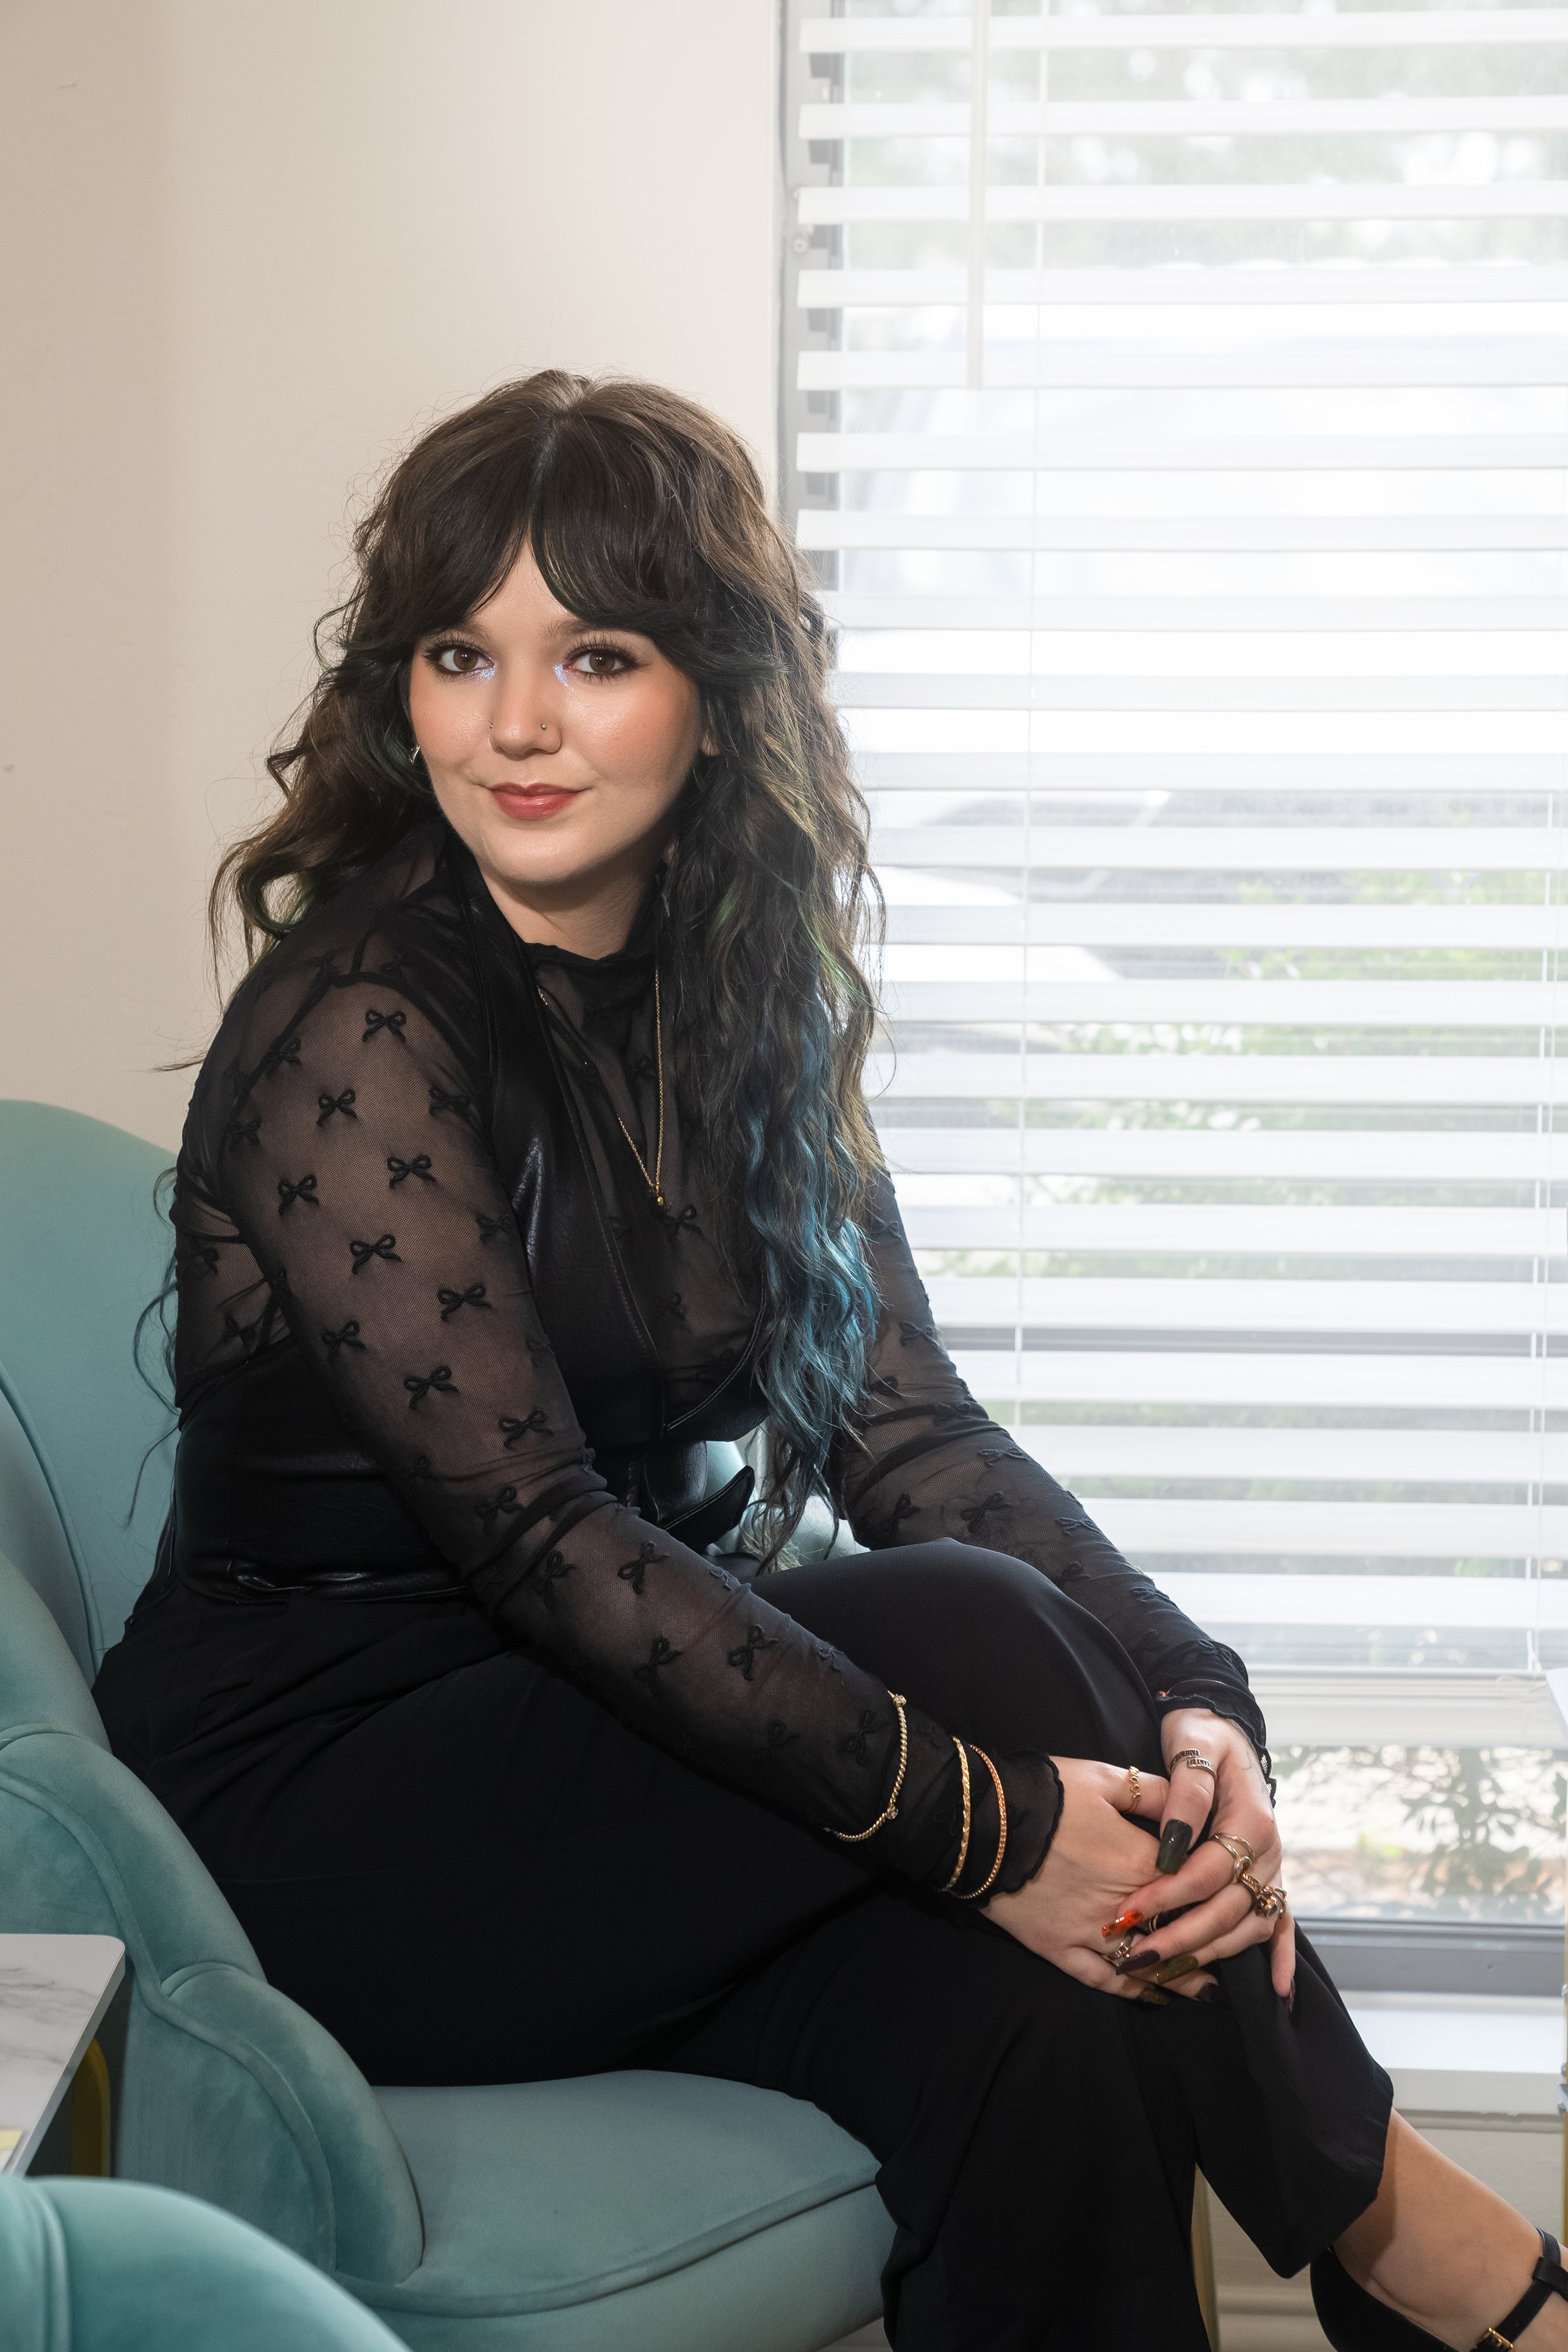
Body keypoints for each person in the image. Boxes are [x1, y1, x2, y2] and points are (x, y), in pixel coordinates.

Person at [93, 371, 1568, 2352]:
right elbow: (536, 1533)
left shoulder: (741, 1007)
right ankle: (1418, 2250)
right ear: (403, 688)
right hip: (327, 1826)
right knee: (962, 1631)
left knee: (1050, 2022)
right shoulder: (358, 1014)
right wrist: (985, 1819)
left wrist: (1198, 1702)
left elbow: (916, 1436)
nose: (516, 725)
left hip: (642, 1781)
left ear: (711, 688)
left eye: (593, 655)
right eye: (463, 655)